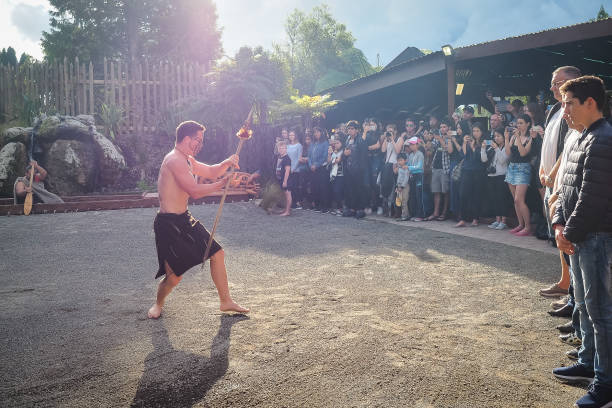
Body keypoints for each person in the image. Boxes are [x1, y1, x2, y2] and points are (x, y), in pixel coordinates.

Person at [551, 76, 612, 408]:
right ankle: (588, 361)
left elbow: (593, 198)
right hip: (577, 236)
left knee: (600, 309)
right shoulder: (580, 136)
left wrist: (567, 233)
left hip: (595, 237)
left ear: (591, 103)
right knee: (587, 305)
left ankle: (606, 382)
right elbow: (566, 188)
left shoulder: (603, 139)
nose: (564, 111)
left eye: (569, 103)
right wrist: (559, 222)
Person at [148, 120, 249, 319]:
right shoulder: (174, 160)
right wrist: (222, 184)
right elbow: (194, 191)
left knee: (217, 253)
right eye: (198, 140)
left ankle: (225, 301)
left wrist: (227, 163)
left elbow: (210, 171)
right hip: (168, 224)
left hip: (185, 219)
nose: (200, 144)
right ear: (187, 139)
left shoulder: (187, 159)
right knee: (174, 278)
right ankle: (158, 304)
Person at [538, 66, 583, 298]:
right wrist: (542, 170)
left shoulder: (574, 110)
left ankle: (574, 293)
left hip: (561, 182)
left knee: (567, 237)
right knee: (558, 235)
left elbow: (567, 149)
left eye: (558, 83)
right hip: (549, 181)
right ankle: (566, 283)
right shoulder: (556, 109)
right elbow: (549, 144)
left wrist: (553, 175)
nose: (553, 87)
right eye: (553, 83)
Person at [504, 114, 534, 236]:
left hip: (523, 169)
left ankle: (527, 226)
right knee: (515, 201)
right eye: (518, 123)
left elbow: (523, 153)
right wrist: (507, 138)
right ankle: (520, 224)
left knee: (519, 199)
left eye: (521, 123)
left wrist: (518, 137)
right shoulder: (513, 137)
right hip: (512, 167)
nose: (519, 125)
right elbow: (508, 153)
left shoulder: (530, 138)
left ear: (527, 124)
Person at [455, 123, 487, 227]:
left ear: (482, 132)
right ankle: (463, 219)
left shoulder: (484, 143)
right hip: (467, 170)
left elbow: (481, 159)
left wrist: (473, 148)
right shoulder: (469, 142)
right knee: (463, 194)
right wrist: (464, 143)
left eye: (477, 131)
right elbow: (463, 155)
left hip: (478, 171)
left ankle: (475, 219)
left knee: (476, 195)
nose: (475, 133)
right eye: (474, 131)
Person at [481, 127, 510, 230]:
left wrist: (496, 148)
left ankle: (503, 221)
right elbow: (484, 160)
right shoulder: (492, 147)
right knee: (495, 199)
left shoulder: (506, 147)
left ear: (503, 137)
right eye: (495, 136)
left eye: (499, 136)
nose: (496, 138)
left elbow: (503, 160)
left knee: (502, 199)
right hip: (491, 176)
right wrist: (483, 148)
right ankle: (497, 220)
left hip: (501, 176)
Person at [428, 119, 453, 221]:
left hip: (445, 168)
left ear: (448, 128)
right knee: (436, 191)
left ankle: (444, 213)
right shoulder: (437, 137)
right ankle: (436, 212)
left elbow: (448, 150)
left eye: (444, 127)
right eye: (441, 127)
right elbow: (431, 148)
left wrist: (440, 139)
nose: (442, 129)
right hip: (436, 167)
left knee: (445, 191)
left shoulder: (450, 137)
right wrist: (429, 140)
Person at [342, 120, 368, 219]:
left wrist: (361, 169)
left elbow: (364, 156)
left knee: (359, 189)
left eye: (352, 128)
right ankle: (352, 209)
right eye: (348, 128)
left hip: (358, 169)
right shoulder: (347, 140)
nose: (350, 130)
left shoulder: (361, 140)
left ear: (357, 130)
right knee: (350, 189)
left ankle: (360, 209)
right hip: (348, 169)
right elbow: (344, 154)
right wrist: (345, 154)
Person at [308, 127, 330, 213]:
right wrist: (310, 165)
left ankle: (324, 206)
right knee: (314, 186)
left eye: (318, 132)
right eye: (315, 132)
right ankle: (317, 205)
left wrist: (316, 165)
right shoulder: (312, 143)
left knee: (323, 187)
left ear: (321, 133)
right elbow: (309, 156)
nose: (316, 134)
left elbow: (324, 156)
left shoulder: (325, 143)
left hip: (321, 168)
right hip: (312, 169)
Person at [405, 136, 425, 221]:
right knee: (412, 195)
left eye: (413, 144)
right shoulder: (411, 155)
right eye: (410, 144)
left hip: (419, 176)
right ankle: (414, 213)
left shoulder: (420, 154)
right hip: (412, 176)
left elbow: (419, 167)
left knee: (418, 195)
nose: (411, 146)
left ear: (417, 145)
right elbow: (408, 164)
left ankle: (420, 215)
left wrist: (409, 168)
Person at [286, 130, 302, 209]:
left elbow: (299, 159)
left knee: (295, 186)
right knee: (289, 187)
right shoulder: (288, 146)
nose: (291, 136)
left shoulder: (299, 145)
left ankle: (295, 203)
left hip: (295, 170)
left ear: (295, 136)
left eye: (292, 135)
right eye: (290, 135)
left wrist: (293, 168)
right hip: (288, 169)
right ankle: (290, 202)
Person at [275, 140, 292, 216]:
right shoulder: (280, 157)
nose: (281, 150)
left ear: (286, 149)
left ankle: (287, 211)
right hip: (280, 179)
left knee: (288, 194)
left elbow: (287, 171)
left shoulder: (287, 158)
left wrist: (285, 181)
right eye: (280, 148)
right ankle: (285, 209)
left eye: (283, 148)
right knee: (285, 195)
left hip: (286, 179)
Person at [328, 138, 344, 215]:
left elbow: (338, 160)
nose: (336, 144)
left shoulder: (343, 151)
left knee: (338, 191)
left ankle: (340, 208)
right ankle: (337, 208)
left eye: (338, 143)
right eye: (335, 143)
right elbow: (329, 161)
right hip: (333, 174)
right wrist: (329, 153)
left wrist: (332, 160)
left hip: (341, 175)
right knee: (334, 191)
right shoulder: (334, 152)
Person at [394, 153, 410, 221]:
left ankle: (405, 215)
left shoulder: (406, 168)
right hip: (399, 186)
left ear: (405, 160)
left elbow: (406, 178)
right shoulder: (399, 168)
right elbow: (399, 178)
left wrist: (402, 187)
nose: (399, 162)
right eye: (398, 160)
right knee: (400, 201)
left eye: (401, 160)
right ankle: (403, 214)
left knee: (404, 201)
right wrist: (397, 186)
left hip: (405, 186)